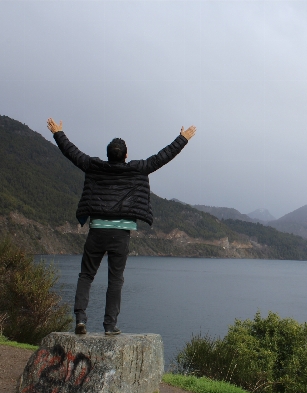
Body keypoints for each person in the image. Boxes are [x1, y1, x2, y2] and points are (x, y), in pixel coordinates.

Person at [47, 117, 196, 335]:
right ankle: (110, 326)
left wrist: (58, 132)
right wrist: (183, 138)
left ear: (109, 154)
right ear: (126, 155)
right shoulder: (137, 169)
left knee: (86, 275)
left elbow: (72, 152)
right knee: (115, 279)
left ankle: (80, 319)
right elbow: (162, 157)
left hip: (96, 231)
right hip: (121, 235)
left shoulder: (93, 166)